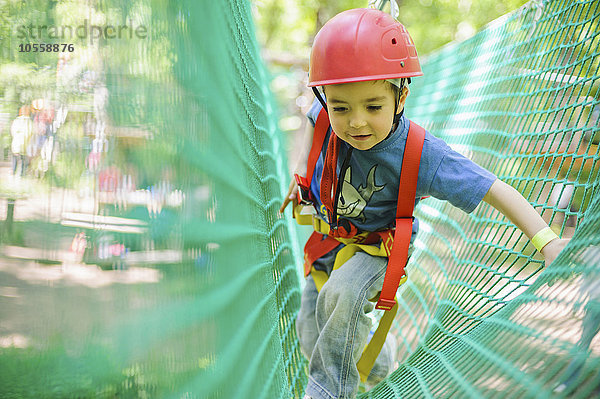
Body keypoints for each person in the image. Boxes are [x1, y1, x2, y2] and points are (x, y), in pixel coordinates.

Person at [278, 8, 570, 399]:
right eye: (341, 107)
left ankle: (328, 394)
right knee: (311, 330)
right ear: (326, 98)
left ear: (401, 96)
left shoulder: (422, 154)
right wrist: (302, 176)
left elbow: (492, 188)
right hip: (330, 240)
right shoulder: (326, 116)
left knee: (342, 295)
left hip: (377, 247)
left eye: (373, 106)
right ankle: (380, 364)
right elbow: (314, 124)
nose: (357, 122)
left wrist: (547, 241)